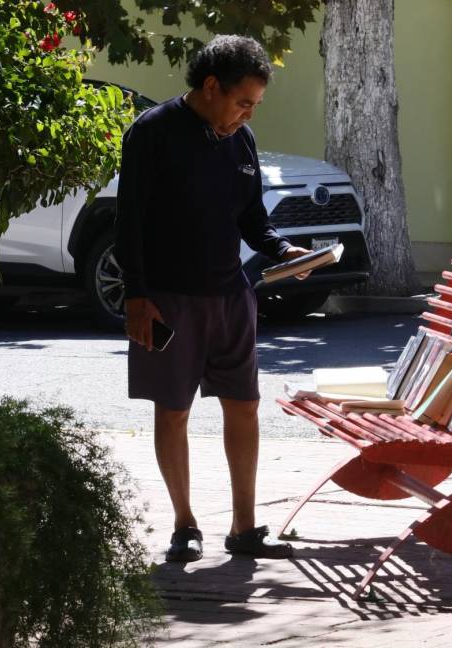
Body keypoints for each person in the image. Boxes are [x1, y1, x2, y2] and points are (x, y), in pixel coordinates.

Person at [114, 35, 313, 562]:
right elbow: (127, 221)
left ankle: (244, 529)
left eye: (255, 107)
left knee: (244, 407)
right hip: (167, 299)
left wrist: (283, 251)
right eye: (242, 102)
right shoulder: (151, 132)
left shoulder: (239, 142)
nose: (247, 116)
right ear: (210, 86)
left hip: (231, 295)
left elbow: (253, 220)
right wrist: (137, 297)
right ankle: (184, 524)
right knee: (173, 411)